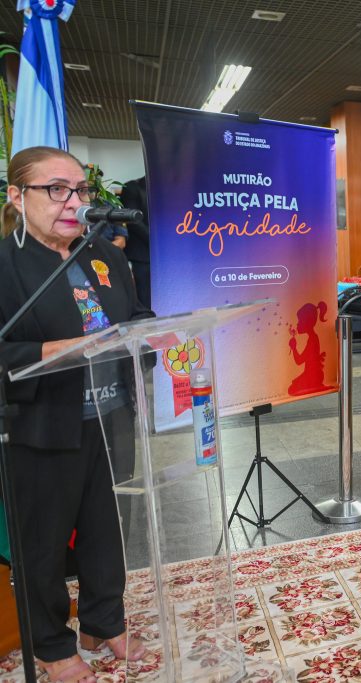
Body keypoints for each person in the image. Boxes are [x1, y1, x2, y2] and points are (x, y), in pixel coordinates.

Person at [0, 147, 153, 682]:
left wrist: (151, 334)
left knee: (107, 530)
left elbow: (133, 317)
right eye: (56, 189)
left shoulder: (104, 256)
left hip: (111, 419)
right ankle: (51, 643)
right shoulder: (6, 264)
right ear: (18, 198)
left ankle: (102, 620)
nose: (74, 201)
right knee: (43, 543)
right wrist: (54, 350)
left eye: (81, 190)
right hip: (43, 427)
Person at [118, 176, 151, 307]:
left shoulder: (168, 188)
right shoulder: (132, 187)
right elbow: (133, 221)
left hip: (167, 255)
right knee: (146, 298)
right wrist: (157, 243)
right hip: (142, 255)